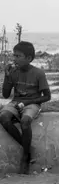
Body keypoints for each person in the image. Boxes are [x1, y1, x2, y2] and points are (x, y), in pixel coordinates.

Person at [1, 41, 51, 174]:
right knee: (3, 117)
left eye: (18, 56)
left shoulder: (38, 73)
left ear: (28, 58)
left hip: (32, 103)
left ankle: (25, 157)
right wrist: (6, 76)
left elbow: (47, 96)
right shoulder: (13, 72)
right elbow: (6, 95)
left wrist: (28, 103)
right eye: (14, 56)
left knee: (25, 121)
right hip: (16, 102)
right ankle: (28, 149)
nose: (14, 59)